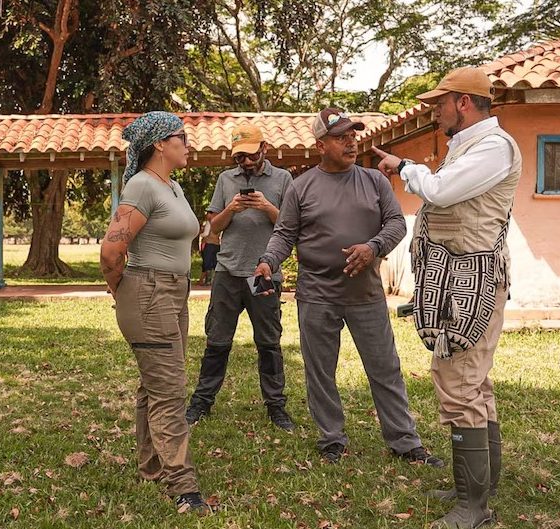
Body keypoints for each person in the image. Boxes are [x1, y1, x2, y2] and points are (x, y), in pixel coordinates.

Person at [374, 66, 520, 529]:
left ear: (463, 102)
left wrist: (404, 167)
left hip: (473, 282)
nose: (433, 110)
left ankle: (473, 507)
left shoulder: (494, 148)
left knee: (458, 384)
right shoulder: (469, 146)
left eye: (440, 102)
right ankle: (477, 486)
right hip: (459, 279)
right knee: (474, 382)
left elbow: (441, 191)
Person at [254, 108, 443, 467]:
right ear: (321, 144)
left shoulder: (374, 181)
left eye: (352, 135)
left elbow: (395, 225)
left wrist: (373, 247)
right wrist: (268, 261)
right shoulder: (301, 186)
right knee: (320, 371)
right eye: (341, 137)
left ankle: (405, 442)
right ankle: (331, 439)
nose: (350, 142)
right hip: (317, 295)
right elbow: (284, 234)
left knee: (385, 368)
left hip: (366, 295)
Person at [99, 111, 210, 515]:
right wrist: (123, 289)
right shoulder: (142, 186)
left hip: (174, 293)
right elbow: (112, 251)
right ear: (160, 144)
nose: (188, 142)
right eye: (182, 136)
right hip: (150, 292)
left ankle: (151, 467)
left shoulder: (173, 187)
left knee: (155, 384)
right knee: (169, 392)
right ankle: (184, 488)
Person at [185, 123, 295, 431]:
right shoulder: (225, 180)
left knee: (268, 343)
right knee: (217, 341)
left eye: (249, 155)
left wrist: (266, 206)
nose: (244, 162)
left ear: (263, 149)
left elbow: (291, 226)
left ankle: (276, 407)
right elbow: (213, 229)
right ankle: (201, 403)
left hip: (263, 273)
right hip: (228, 273)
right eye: (238, 158)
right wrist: (231, 208)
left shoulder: (283, 179)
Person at [197, 218, 220, 286]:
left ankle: (202, 280)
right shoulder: (219, 221)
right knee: (214, 263)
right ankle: (211, 281)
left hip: (209, 244)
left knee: (207, 263)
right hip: (217, 244)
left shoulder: (209, 222)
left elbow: (206, 233)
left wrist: (201, 234)